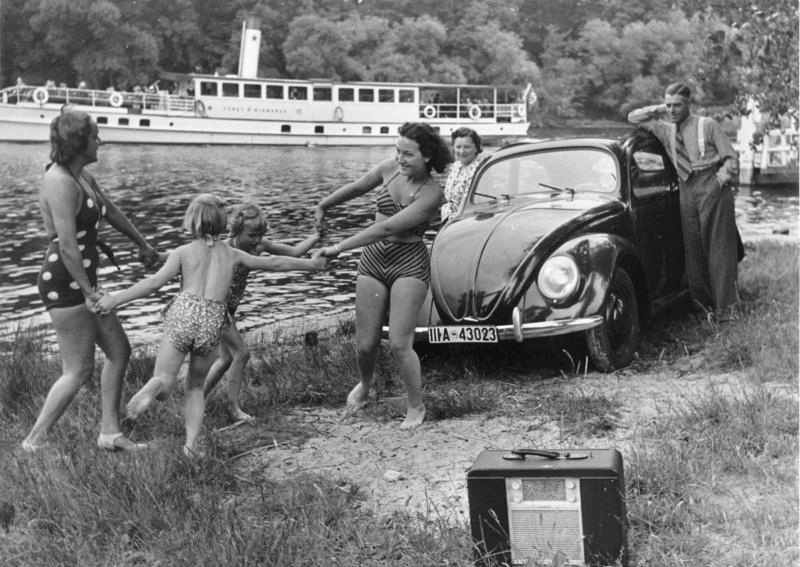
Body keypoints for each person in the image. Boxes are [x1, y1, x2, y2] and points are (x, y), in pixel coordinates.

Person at [95, 194, 327, 457]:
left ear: (192, 220)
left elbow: (154, 283)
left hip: (184, 312)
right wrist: (311, 265)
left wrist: (115, 299)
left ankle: (155, 386)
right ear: (223, 223)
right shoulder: (233, 254)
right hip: (215, 319)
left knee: (164, 379)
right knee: (194, 387)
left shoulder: (183, 252)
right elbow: (275, 263)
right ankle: (191, 446)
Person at [22, 110, 160, 452]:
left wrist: (141, 243)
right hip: (66, 281)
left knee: (119, 351)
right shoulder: (59, 181)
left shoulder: (80, 175)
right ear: (79, 143)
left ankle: (110, 434)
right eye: (96, 136)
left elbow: (109, 210)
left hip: (83, 280)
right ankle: (33, 443)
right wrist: (88, 293)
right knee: (77, 370)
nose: (101, 141)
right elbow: (68, 247)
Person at [314, 122, 451, 429]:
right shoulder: (389, 169)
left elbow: (387, 227)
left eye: (408, 154)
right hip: (374, 260)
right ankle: (366, 383)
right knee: (365, 343)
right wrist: (324, 204)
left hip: (408, 264)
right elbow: (357, 187)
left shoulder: (431, 193)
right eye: (398, 151)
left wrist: (338, 247)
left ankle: (415, 406)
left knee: (400, 343)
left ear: (427, 156)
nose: (400, 159)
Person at [628, 82, 740, 323]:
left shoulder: (706, 125)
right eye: (668, 105)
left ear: (689, 104)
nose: (672, 110)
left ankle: (726, 312)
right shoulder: (664, 129)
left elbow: (731, 158)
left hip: (710, 182)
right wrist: (660, 107)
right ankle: (703, 308)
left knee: (719, 250)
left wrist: (718, 182)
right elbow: (633, 117)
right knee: (693, 252)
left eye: (677, 105)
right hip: (685, 188)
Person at [202, 202, 323, 421]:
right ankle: (233, 408)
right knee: (242, 353)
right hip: (215, 306)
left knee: (226, 358)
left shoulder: (258, 247)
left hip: (227, 308)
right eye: (252, 234)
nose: (257, 240)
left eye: (261, 234)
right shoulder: (226, 248)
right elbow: (275, 263)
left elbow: (293, 252)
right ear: (237, 229)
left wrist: (315, 237)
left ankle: (196, 400)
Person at [440, 127, 487, 221]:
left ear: (476, 148)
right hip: (448, 217)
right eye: (458, 147)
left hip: (464, 221)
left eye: (467, 147)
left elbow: (468, 203)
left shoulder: (479, 169)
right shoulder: (456, 165)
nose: (461, 151)